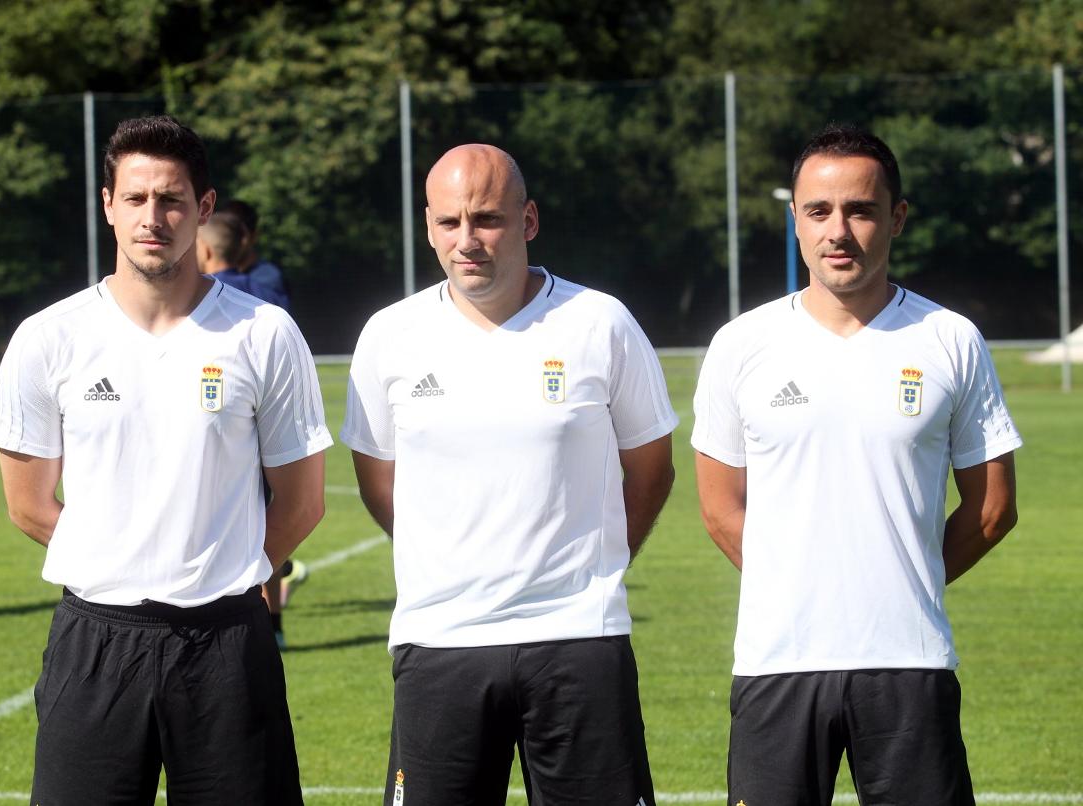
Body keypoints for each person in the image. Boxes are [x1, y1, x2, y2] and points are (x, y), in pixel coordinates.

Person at [0, 115, 331, 805]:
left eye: (172, 200)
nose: (153, 217)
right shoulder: (48, 338)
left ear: (203, 209)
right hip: (95, 639)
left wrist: (219, 569)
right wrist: (127, 560)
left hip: (228, 643)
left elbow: (302, 502)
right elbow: (27, 504)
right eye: (136, 198)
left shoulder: (264, 334)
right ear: (109, 205)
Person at [692, 123, 1022, 805]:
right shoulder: (740, 345)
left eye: (860, 210)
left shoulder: (950, 339)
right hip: (777, 663)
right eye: (818, 211)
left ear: (896, 218)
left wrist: (902, 578)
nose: (837, 231)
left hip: (909, 662)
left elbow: (992, 509)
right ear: (795, 219)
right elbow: (720, 510)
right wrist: (801, 586)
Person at [341, 144, 677, 805]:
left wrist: (592, 564)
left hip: (578, 637)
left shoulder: (600, 323)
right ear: (429, 227)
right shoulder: (390, 335)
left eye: (487, 219)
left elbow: (651, 468)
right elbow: (380, 484)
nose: (467, 240)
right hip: (440, 640)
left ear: (528, 220)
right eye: (449, 221)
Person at [198, 209, 309, 645]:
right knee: (268, 519)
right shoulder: (267, 290)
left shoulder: (202, 297)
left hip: (222, 425)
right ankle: (273, 624)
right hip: (271, 421)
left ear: (205, 250)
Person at [225, 199, 291, 310]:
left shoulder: (267, 276)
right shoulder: (211, 273)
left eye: (235, 235)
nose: (227, 242)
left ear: (252, 236)